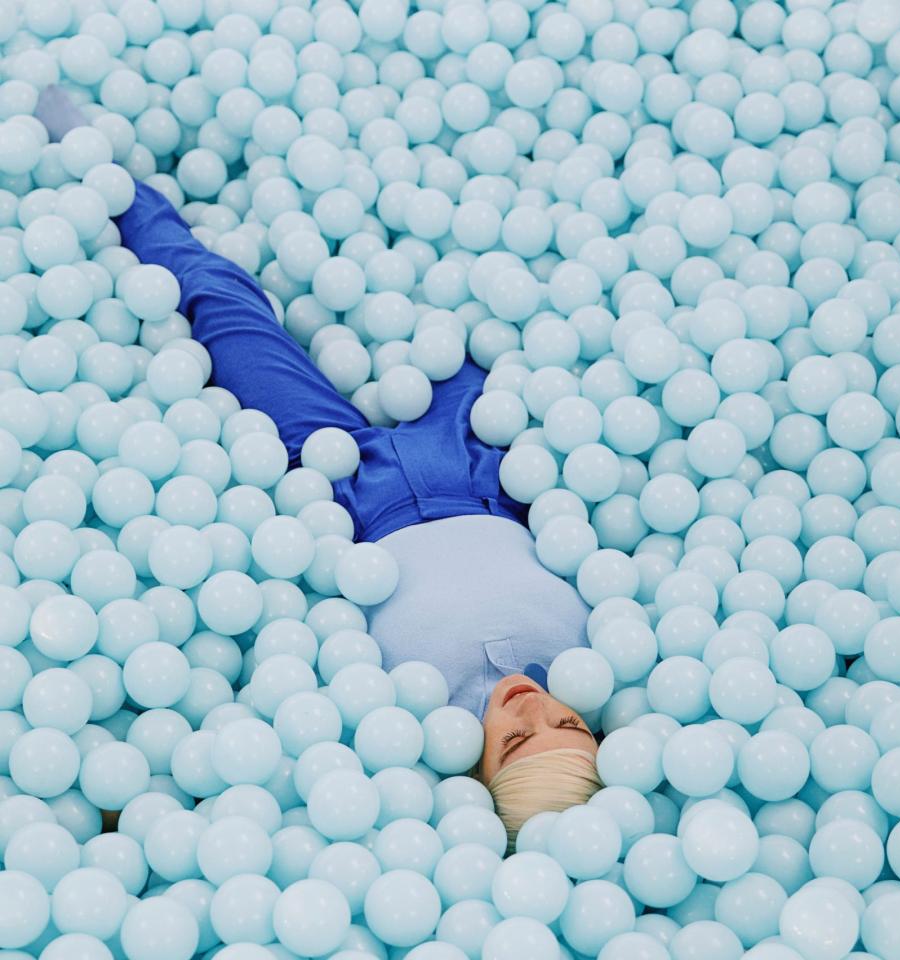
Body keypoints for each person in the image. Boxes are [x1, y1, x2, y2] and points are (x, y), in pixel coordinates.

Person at [36, 87, 604, 845]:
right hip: (480, 471)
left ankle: (99, 171)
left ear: (481, 775)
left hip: (337, 495)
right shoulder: (597, 660)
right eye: (565, 720)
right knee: (476, 318)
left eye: (519, 739)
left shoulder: (410, 722)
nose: (533, 704)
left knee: (219, 303)